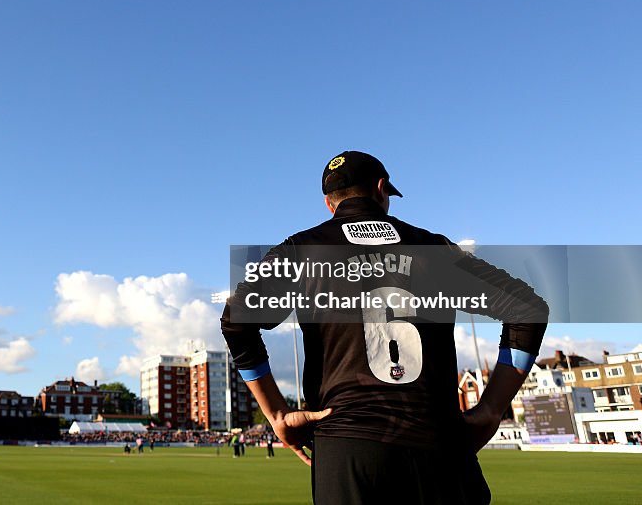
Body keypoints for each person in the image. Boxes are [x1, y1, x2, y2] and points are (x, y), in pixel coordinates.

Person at [221, 150, 548, 505]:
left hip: (348, 447)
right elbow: (527, 309)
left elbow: (236, 322)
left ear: (329, 205)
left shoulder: (301, 250)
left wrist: (277, 413)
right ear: (381, 190)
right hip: (439, 445)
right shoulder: (434, 248)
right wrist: (490, 409)